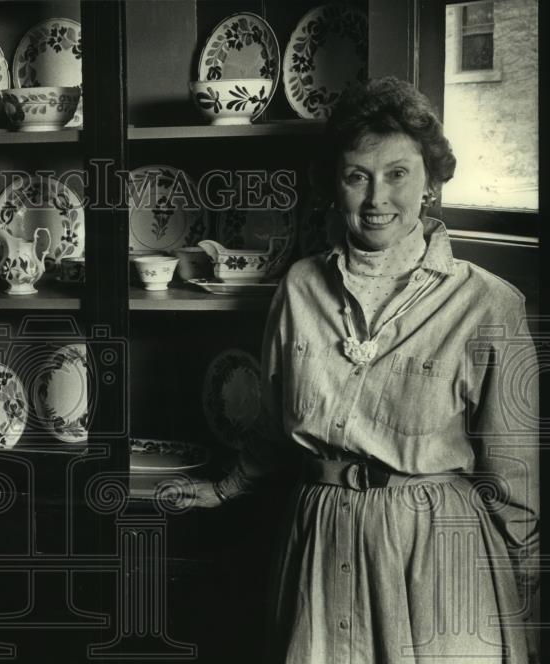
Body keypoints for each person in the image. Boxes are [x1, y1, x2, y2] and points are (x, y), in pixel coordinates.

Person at [175, 77, 539, 663]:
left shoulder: (488, 305)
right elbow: (273, 425)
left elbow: (515, 484)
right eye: (356, 176)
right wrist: (224, 488)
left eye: (397, 173)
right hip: (320, 543)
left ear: (431, 183)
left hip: (438, 560)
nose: (377, 199)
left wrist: (513, 587)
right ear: (334, 186)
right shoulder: (299, 289)